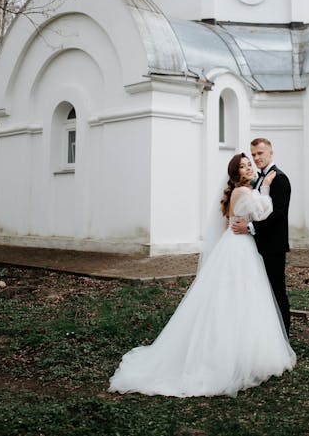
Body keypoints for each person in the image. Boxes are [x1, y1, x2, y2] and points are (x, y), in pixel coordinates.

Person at [108, 153, 296, 398]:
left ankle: (243, 349)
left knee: (239, 297)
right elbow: (263, 213)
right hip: (239, 248)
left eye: (249, 164)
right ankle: (231, 354)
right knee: (240, 297)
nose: (249, 168)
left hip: (236, 243)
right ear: (235, 173)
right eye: (243, 166)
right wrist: (267, 187)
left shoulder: (239, 192)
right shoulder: (243, 192)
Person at [232, 138, 292, 336]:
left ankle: (284, 336)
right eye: (254, 154)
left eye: (260, 153)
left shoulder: (279, 178)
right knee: (264, 292)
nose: (256, 157)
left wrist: (249, 227)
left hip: (273, 246)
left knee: (277, 292)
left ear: (270, 153)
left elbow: (278, 214)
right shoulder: (259, 179)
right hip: (259, 245)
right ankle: (268, 334)